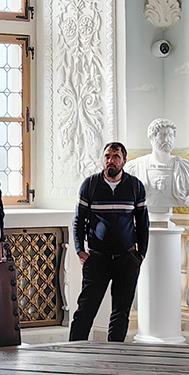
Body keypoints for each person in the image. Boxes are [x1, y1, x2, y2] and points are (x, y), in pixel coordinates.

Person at [70, 141, 149, 343]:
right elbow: (78, 221)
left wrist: (140, 255)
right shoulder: (90, 185)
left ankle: (116, 354)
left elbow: (143, 223)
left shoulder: (135, 186)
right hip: (97, 259)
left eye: (115, 157)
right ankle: (73, 352)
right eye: (107, 156)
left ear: (124, 160)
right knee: (85, 310)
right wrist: (80, 250)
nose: (110, 161)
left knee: (121, 313)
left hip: (127, 259)